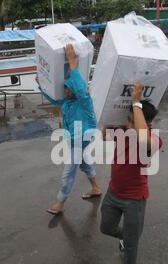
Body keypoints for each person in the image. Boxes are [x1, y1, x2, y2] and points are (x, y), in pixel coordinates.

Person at [100, 82, 163, 264]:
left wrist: (136, 102)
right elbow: (103, 135)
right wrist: (106, 114)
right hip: (112, 192)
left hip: (134, 198)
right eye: (127, 119)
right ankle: (126, 239)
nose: (127, 125)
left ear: (145, 122)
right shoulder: (123, 131)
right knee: (106, 228)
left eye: (131, 120)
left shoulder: (154, 140)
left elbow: (143, 138)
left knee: (132, 240)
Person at [36, 44, 102, 215]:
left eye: (67, 87)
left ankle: (60, 201)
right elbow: (53, 98)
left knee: (69, 170)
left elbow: (79, 86)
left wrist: (72, 61)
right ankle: (95, 188)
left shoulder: (84, 100)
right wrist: (41, 85)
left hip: (82, 137)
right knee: (83, 162)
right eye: (65, 87)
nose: (65, 90)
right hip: (74, 138)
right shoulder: (66, 101)